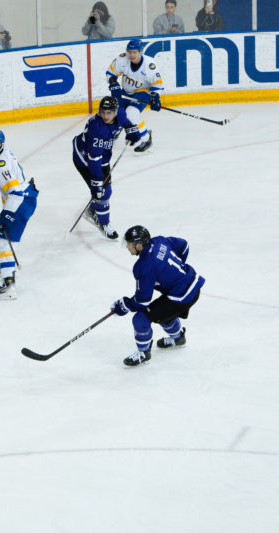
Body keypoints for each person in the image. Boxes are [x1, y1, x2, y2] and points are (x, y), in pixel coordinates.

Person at [111, 226, 205, 367]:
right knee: (162, 311)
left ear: (139, 245)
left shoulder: (144, 267)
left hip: (181, 297)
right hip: (193, 286)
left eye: (130, 244)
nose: (127, 246)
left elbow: (142, 301)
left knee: (141, 318)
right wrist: (175, 273)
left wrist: (124, 305)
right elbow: (184, 245)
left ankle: (143, 353)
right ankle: (178, 338)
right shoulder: (159, 241)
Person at [0, 129, 38, 299]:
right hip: (24, 197)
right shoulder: (1, 153)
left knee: (2, 235)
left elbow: (13, 190)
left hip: (20, 201)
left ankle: (8, 283)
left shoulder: (0, 166)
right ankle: (8, 265)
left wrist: (8, 214)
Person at [72, 96, 141, 240]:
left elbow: (125, 122)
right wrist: (96, 184)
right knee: (103, 192)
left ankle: (93, 209)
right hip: (85, 158)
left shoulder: (120, 113)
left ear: (115, 112)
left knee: (103, 192)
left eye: (109, 113)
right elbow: (94, 160)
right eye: (103, 112)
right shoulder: (97, 128)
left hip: (101, 157)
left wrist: (131, 130)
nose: (105, 116)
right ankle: (104, 224)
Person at [106, 38, 163, 153]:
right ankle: (117, 129)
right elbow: (110, 73)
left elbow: (157, 85)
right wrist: (113, 84)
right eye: (130, 52)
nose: (131, 55)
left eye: (134, 52)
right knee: (114, 110)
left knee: (131, 113)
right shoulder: (122, 59)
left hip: (142, 91)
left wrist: (155, 97)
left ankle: (146, 138)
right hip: (126, 91)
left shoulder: (149, 66)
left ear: (141, 52)